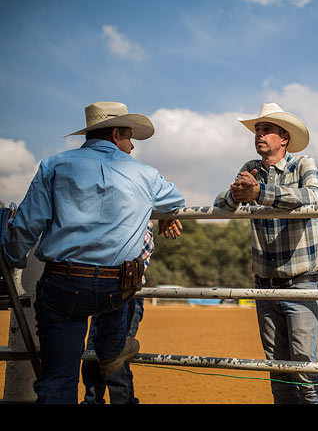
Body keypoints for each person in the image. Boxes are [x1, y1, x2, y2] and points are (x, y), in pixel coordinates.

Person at [2, 101, 185, 404]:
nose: (131, 147)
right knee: (119, 299)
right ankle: (112, 349)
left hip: (64, 282)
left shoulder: (54, 165)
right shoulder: (145, 174)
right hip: (116, 286)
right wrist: (165, 210)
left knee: (57, 381)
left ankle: (109, 351)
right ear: (116, 134)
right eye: (129, 138)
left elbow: (25, 227)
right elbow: (175, 198)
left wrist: (14, 261)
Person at [215, 103, 318, 404]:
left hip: (301, 282)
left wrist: (259, 193)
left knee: (305, 371)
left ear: (284, 138)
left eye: (266, 130)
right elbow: (222, 205)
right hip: (265, 285)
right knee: (278, 372)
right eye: (257, 130)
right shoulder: (251, 168)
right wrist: (237, 192)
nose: (259, 135)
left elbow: (314, 197)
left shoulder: (303, 164)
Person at [81, 221, 155, 404]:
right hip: (109, 289)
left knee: (113, 357)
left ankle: (107, 401)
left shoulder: (136, 209)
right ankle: (94, 400)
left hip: (123, 290)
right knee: (98, 356)